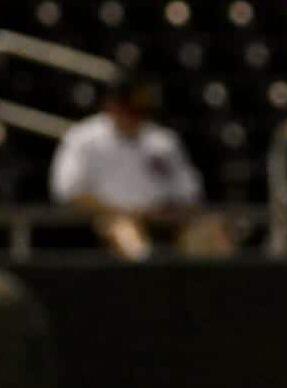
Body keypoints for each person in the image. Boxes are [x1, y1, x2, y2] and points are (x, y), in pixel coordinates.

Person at [49, 74, 233, 260]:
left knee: (212, 231)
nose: (136, 117)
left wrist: (165, 211)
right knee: (125, 232)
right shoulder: (84, 138)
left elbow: (190, 192)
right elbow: (70, 192)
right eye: (130, 110)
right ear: (112, 106)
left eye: (141, 111)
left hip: (164, 220)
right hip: (109, 220)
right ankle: (147, 277)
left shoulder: (163, 141)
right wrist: (124, 211)